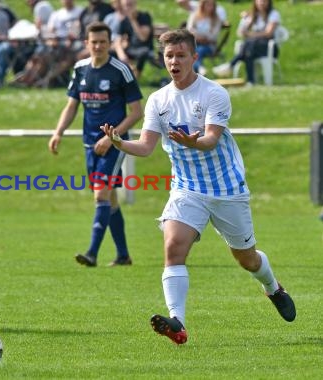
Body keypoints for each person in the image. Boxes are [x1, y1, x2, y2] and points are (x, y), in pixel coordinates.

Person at [101, 28, 295, 344]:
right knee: (173, 247)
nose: (174, 61)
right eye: (169, 56)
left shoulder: (213, 94)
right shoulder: (158, 100)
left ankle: (273, 287)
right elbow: (147, 147)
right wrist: (120, 142)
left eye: (180, 55)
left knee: (247, 259)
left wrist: (194, 141)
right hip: (187, 188)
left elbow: (210, 140)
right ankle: (177, 322)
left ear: (194, 57)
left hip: (226, 188)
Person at [48, 22, 144, 267]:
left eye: (103, 41)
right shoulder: (80, 69)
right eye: (94, 42)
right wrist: (58, 132)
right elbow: (72, 106)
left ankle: (91, 253)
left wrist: (112, 138)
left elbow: (136, 112)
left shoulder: (120, 70)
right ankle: (123, 256)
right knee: (109, 198)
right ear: (86, 44)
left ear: (109, 43)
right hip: (89, 144)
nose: (99, 46)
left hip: (114, 145)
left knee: (101, 193)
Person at [212, 0, 281, 85]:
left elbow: (268, 33)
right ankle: (250, 81)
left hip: (268, 48)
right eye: (259, 1)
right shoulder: (253, 15)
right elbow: (240, 33)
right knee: (249, 51)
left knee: (250, 44)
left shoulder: (274, 14)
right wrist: (244, 20)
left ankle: (231, 65)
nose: (262, 3)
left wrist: (250, 34)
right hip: (252, 48)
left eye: (264, 1)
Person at [112, 0, 160, 80]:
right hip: (131, 49)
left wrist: (133, 20)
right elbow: (118, 40)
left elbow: (143, 38)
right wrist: (121, 54)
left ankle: (136, 77)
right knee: (111, 53)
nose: (128, 7)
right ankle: (116, 77)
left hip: (145, 48)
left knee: (143, 52)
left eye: (130, 4)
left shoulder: (144, 16)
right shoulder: (124, 21)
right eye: (126, 5)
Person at [186, 0, 222, 75]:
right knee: (192, 51)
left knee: (199, 50)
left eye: (212, 5)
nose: (210, 7)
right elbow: (189, 30)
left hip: (209, 46)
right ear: (202, 5)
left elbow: (212, 36)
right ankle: (199, 68)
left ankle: (199, 69)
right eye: (208, 4)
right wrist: (200, 36)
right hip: (194, 43)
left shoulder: (216, 19)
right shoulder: (194, 16)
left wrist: (197, 35)